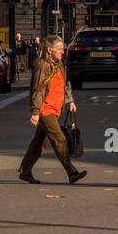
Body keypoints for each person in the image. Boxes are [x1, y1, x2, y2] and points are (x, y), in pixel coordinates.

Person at [18, 36, 86, 185]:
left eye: (63, 49)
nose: (63, 52)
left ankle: (25, 171)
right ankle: (72, 172)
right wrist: (35, 112)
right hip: (45, 110)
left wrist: (71, 101)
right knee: (59, 139)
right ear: (50, 50)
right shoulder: (43, 66)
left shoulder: (59, 64)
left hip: (55, 109)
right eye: (60, 49)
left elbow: (65, 83)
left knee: (39, 143)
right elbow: (38, 90)